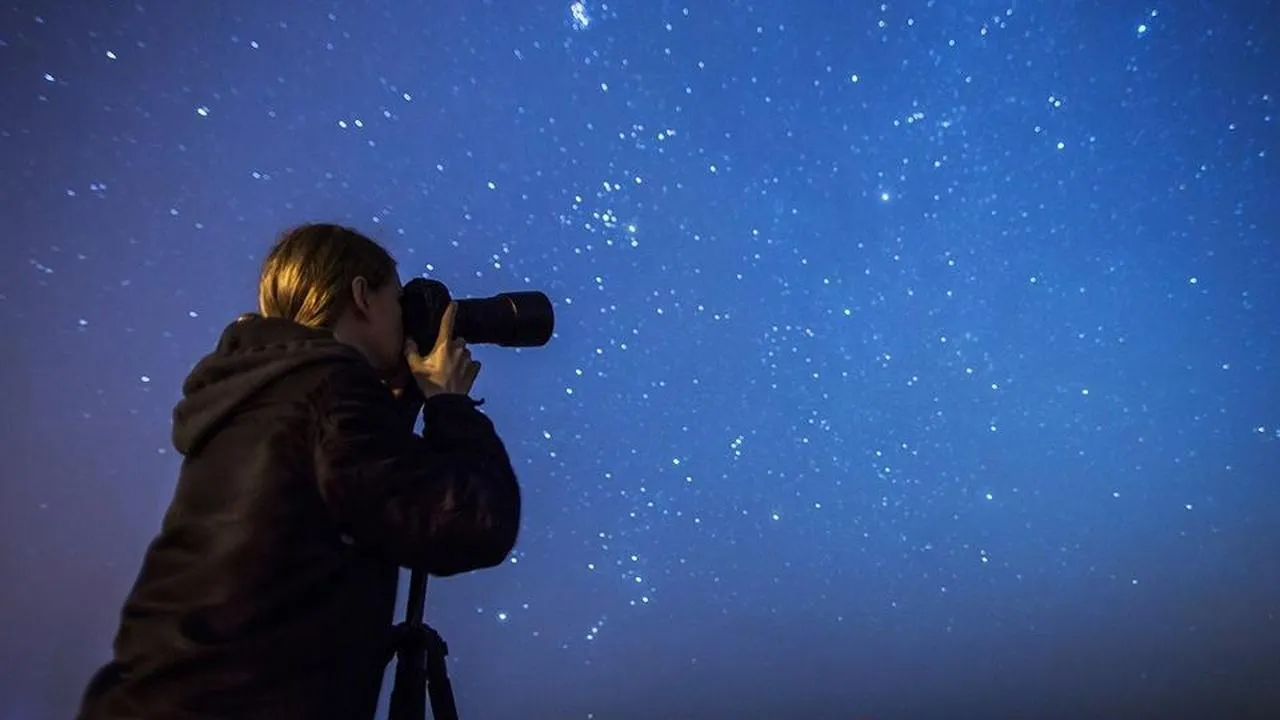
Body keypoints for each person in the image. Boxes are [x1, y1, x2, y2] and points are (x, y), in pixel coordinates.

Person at [76, 223, 522, 719]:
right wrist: (448, 404)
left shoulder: (260, 391)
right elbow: (474, 521)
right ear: (361, 297)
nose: (405, 318)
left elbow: (353, 488)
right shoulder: (330, 395)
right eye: (397, 299)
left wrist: (395, 400)